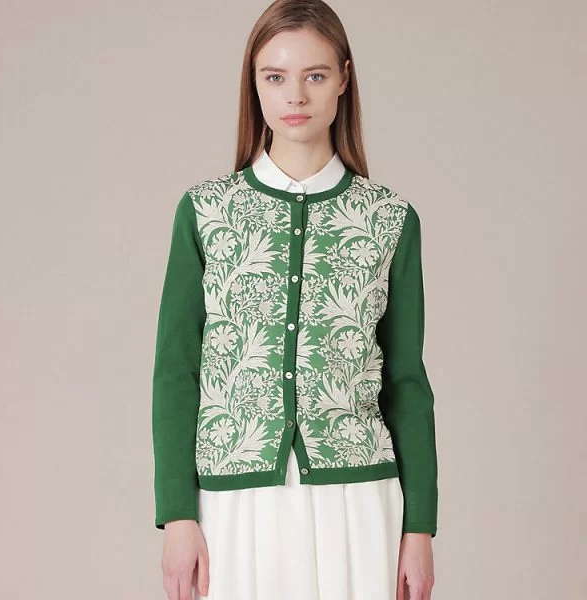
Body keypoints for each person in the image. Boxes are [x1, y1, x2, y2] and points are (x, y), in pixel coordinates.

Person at [151, 1, 438, 599]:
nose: (296, 96)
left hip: (358, 499)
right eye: (275, 76)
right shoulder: (205, 212)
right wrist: (177, 514)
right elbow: (176, 371)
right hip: (233, 500)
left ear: (344, 79)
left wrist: (419, 529)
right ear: (254, 84)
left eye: (315, 75)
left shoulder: (389, 219)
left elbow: (407, 381)